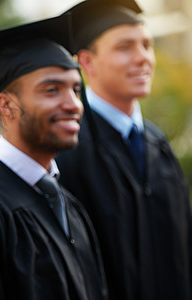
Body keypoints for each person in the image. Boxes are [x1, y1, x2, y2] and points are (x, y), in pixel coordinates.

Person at [0, 15, 108, 300]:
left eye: (76, 89)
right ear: (6, 105)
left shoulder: (67, 202)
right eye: (52, 90)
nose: (74, 104)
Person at [55, 1, 192, 299]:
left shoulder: (158, 143)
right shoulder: (67, 148)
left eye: (147, 45)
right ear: (87, 62)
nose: (143, 58)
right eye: (125, 47)